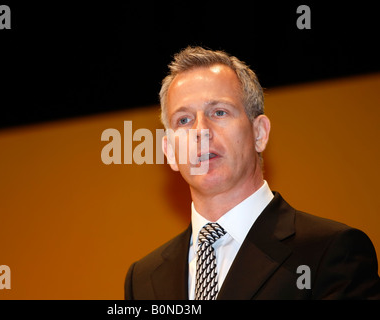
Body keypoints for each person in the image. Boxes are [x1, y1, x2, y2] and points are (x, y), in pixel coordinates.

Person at [124, 46, 380, 299]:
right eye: (184, 120)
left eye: (219, 112)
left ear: (260, 133)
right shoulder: (143, 279)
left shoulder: (330, 253)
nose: (200, 131)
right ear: (169, 151)